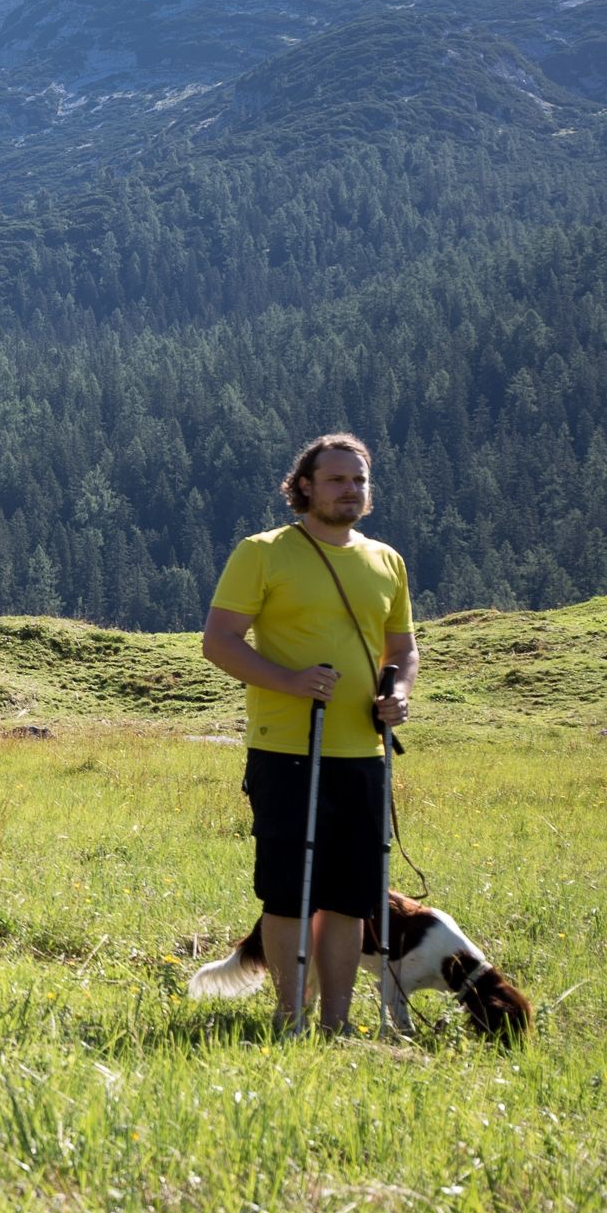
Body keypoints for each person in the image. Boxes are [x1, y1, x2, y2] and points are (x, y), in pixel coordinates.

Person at [200, 432, 416, 1037]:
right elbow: (219, 642)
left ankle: (336, 1026)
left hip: (364, 752)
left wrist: (398, 694)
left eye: (359, 480)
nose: (351, 490)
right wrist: (290, 682)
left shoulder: (387, 561)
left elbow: (402, 648)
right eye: (336, 480)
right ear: (303, 487)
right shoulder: (263, 552)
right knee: (288, 891)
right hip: (287, 750)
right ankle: (290, 1017)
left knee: (350, 897)